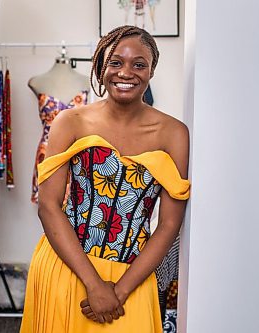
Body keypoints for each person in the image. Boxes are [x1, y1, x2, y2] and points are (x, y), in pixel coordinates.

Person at [20, 25, 190, 333]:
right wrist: (93, 284)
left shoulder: (173, 133)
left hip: (133, 278)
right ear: (101, 66)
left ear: (151, 71)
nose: (126, 72)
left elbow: (168, 224)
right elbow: (48, 205)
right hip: (67, 268)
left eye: (139, 64)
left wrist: (119, 291)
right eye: (115, 62)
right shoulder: (70, 121)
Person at [28, 55, 90, 203]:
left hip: (78, 150)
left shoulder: (86, 81)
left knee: (78, 205)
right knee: (49, 204)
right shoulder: (36, 82)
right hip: (48, 149)